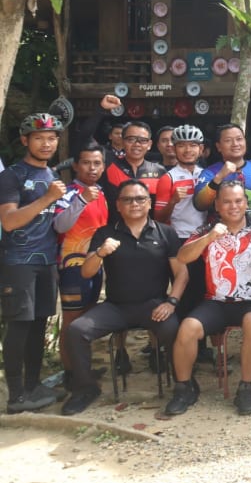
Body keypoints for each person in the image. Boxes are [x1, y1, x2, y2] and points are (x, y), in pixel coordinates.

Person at [61, 179, 188, 415]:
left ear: (149, 203)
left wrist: (171, 302)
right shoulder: (105, 233)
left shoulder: (165, 232)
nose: (134, 204)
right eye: (127, 200)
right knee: (77, 330)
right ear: (118, 205)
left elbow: (181, 274)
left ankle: (183, 387)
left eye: (140, 199)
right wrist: (100, 253)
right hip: (116, 307)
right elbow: (86, 272)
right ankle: (85, 388)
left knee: (174, 329)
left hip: (153, 306)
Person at [166, 181, 251, 416]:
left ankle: (245, 389)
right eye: (226, 201)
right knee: (187, 328)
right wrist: (208, 238)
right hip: (216, 301)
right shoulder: (206, 230)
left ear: (246, 203)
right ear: (217, 205)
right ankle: (184, 388)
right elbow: (183, 257)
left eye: (238, 201)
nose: (233, 206)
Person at [1, 114, 68, 413]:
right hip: (19, 261)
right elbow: (9, 221)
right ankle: (16, 396)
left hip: (46, 261)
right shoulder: (12, 176)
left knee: (39, 324)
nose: (46, 143)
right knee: (19, 325)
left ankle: (33, 385)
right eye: (39, 138)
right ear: (25, 140)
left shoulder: (51, 174)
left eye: (51, 138)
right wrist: (48, 198)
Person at [53, 142, 109, 388]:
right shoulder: (68, 193)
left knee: (85, 318)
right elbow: (60, 226)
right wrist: (82, 200)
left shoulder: (101, 193)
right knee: (72, 321)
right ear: (76, 165)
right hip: (72, 266)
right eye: (86, 163)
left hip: (94, 264)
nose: (92, 168)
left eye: (97, 163)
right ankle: (70, 373)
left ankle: (82, 369)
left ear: (104, 166)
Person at [155, 125, 208, 317]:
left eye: (193, 145)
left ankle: (201, 333)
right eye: (182, 145)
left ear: (201, 149)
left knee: (204, 288)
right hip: (178, 238)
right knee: (184, 291)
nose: (188, 150)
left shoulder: (206, 175)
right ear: (174, 148)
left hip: (204, 238)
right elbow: (158, 218)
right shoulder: (168, 178)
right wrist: (173, 201)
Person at [193, 124, 251, 221]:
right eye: (228, 140)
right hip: (220, 229)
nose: (235, 144)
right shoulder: (209, 173)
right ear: (218, 146)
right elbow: (200, 205)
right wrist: (219, 177)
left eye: (239, 139)